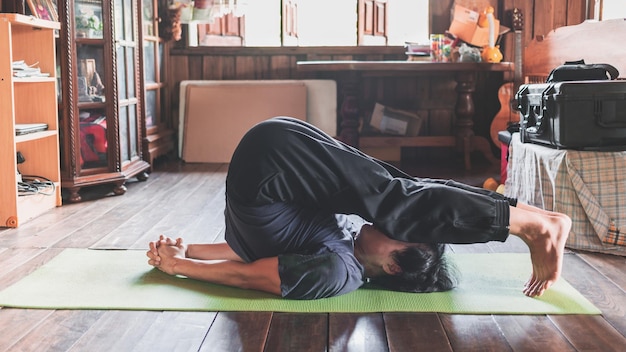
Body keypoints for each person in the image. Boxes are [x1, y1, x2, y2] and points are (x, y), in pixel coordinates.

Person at [147, 117, 571, 300]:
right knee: (405, 191)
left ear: (393, 266)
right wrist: (185, 251)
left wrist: (181, 268)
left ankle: (531, 225)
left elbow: (252, 273)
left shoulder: (341, 272)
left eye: (404, 234)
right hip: (283, 153)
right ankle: (527, 219)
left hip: (267, 169)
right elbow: (257, 251)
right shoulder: (347, 238)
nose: (390, 226)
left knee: (398, 200)